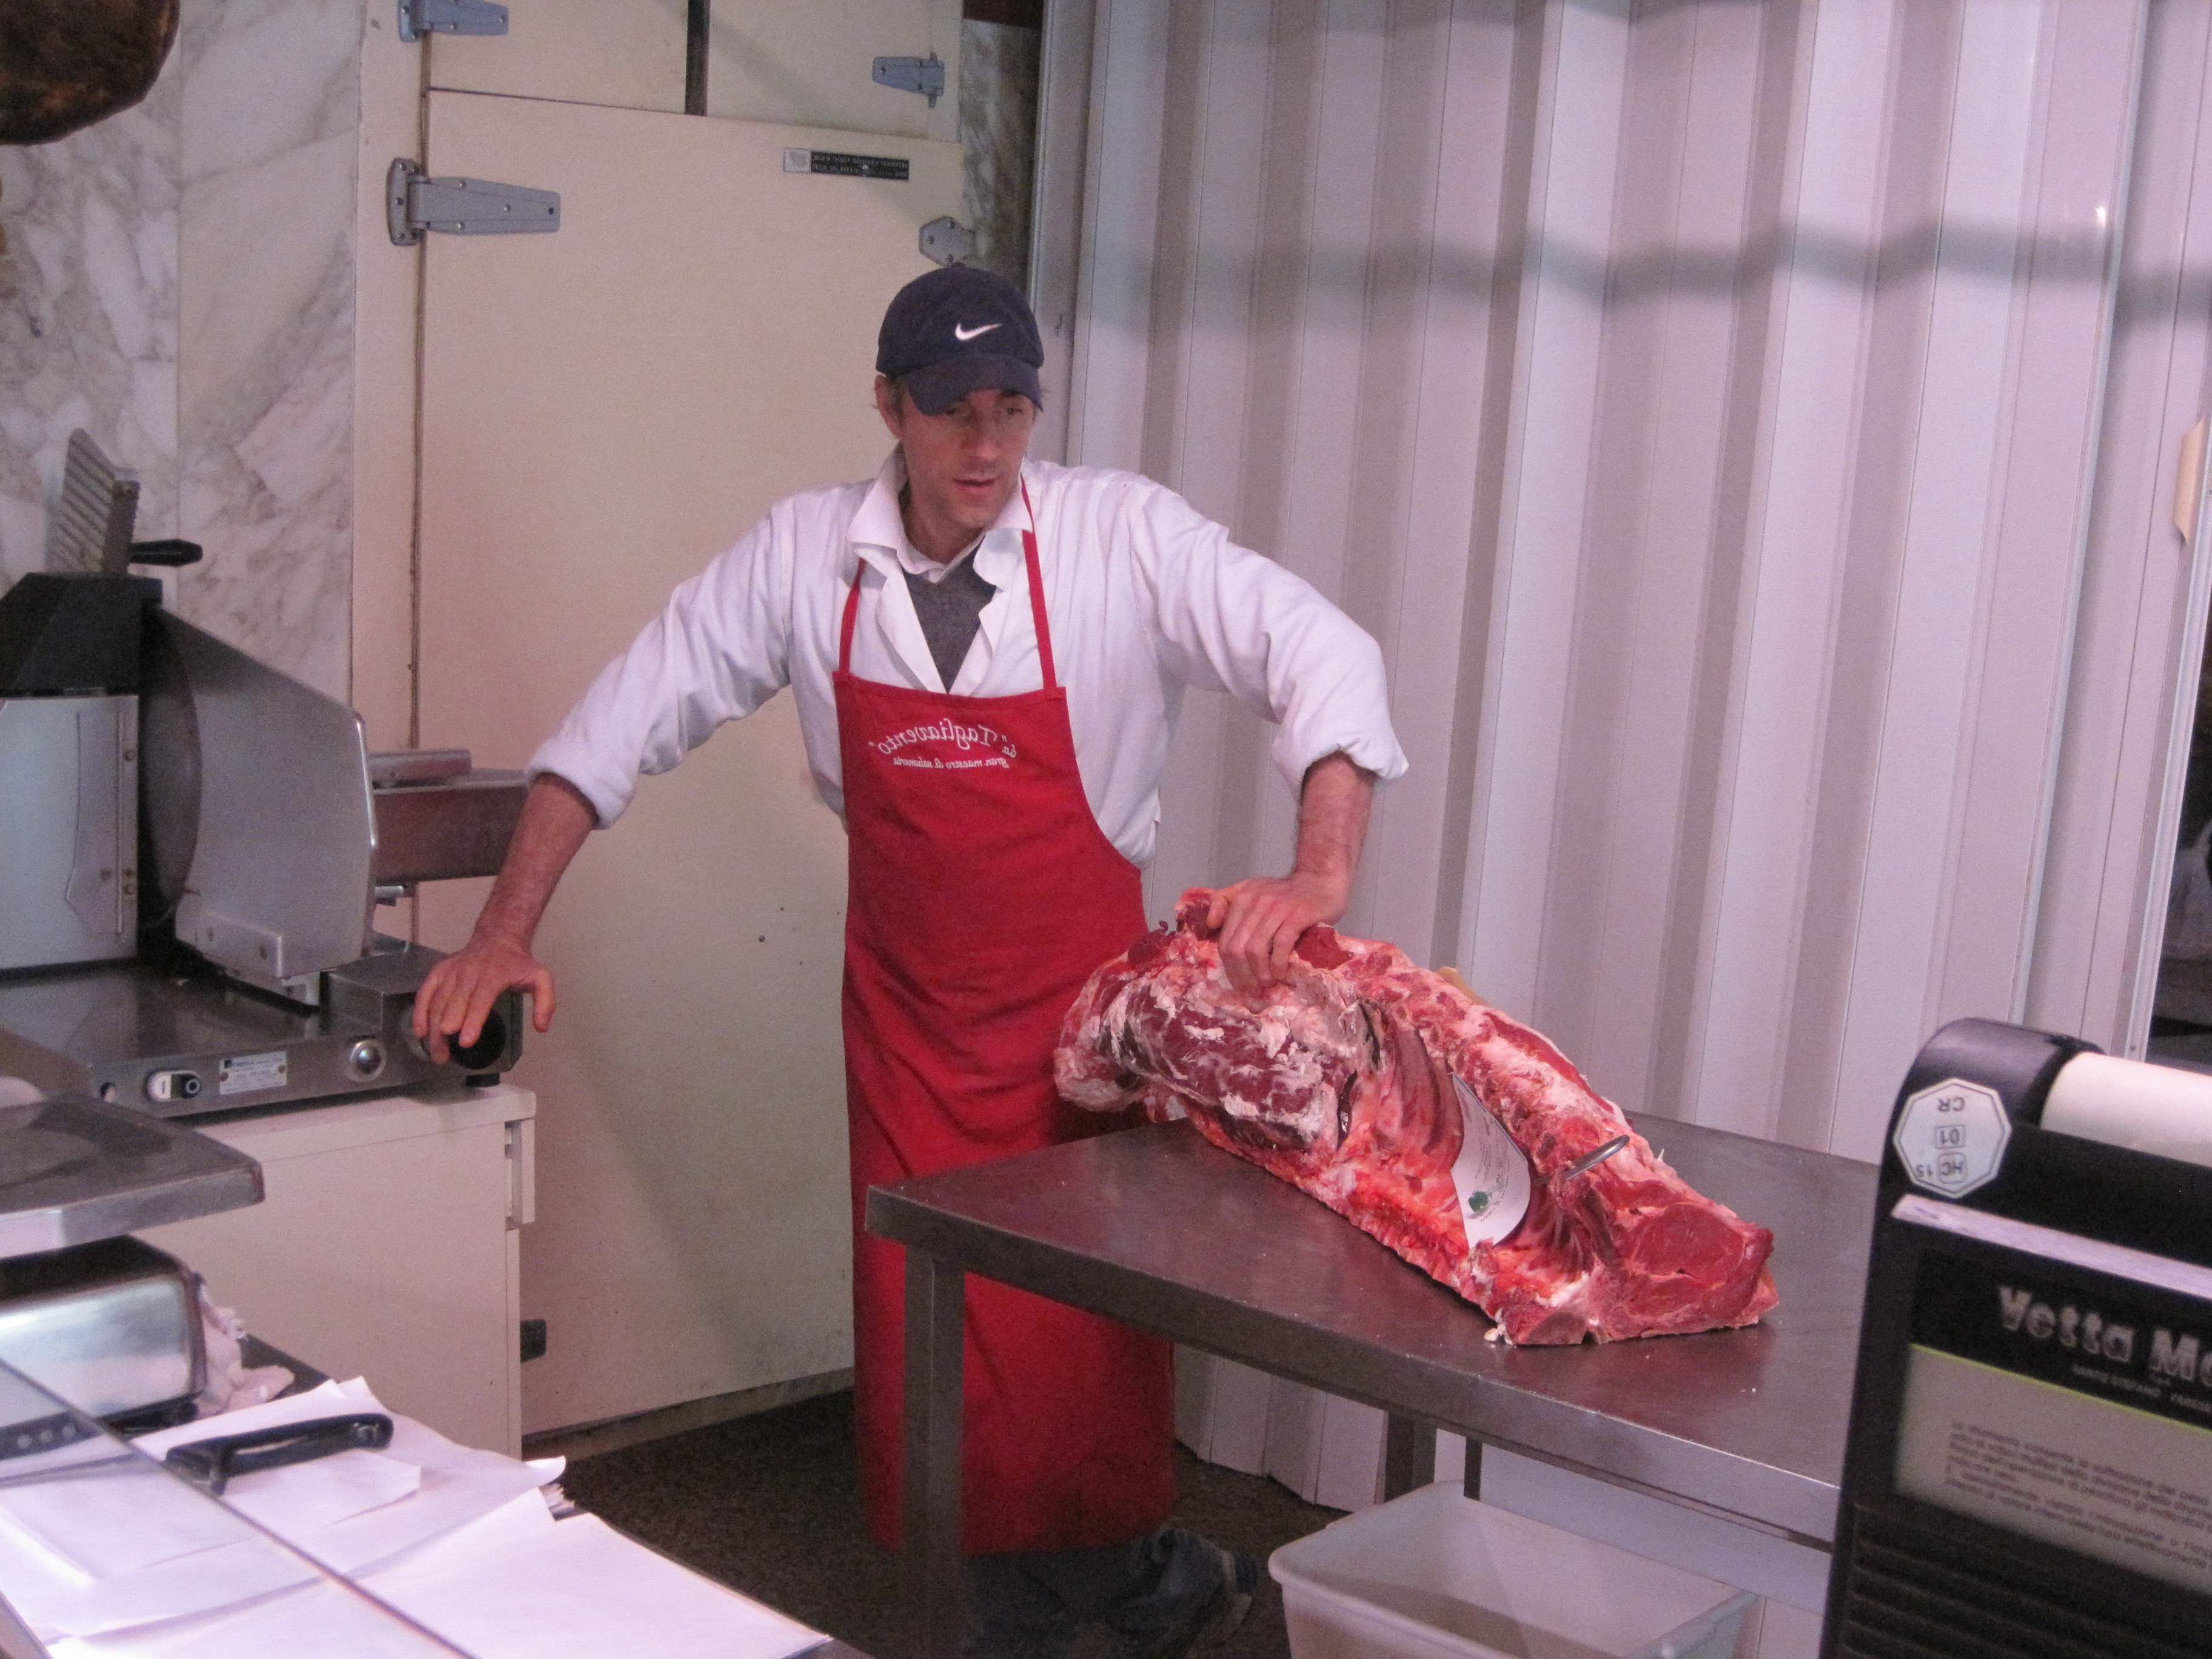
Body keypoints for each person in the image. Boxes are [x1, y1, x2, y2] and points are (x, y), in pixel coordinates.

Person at [413, 264, 1408, 1658]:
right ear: (889, 406)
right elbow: (617, 722)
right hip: (908, 1024)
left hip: (1084, 1031)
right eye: (950, 411)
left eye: (1011, 409)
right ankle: (1024, 1608)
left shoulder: (1121, 537)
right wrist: (504, 929)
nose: (985, 445)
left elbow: (1323, 652)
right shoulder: (804, 556)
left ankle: (1127, 1585)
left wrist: (1319, 869)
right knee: (928, 1337)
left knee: (1081, 1340)